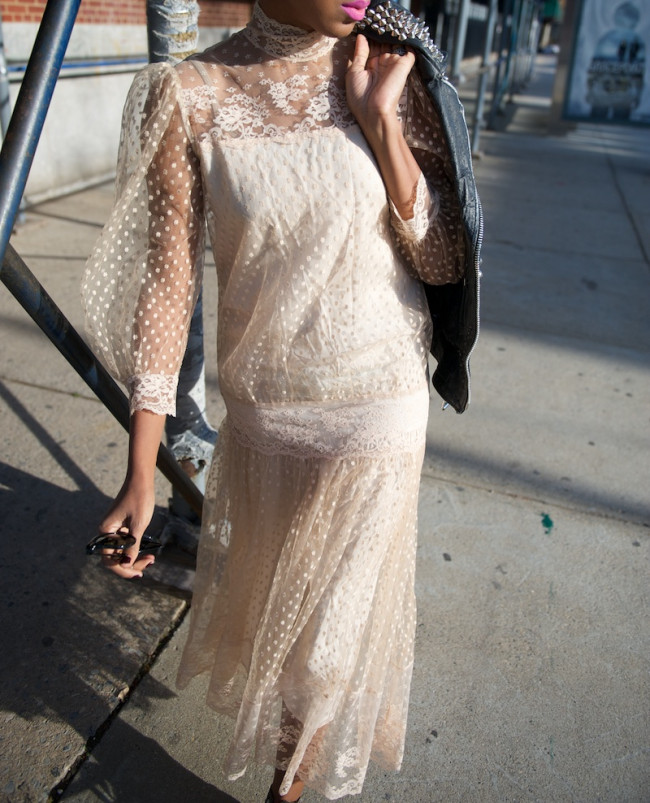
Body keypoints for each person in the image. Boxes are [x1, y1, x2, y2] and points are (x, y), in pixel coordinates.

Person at [82, 1, 472, 800]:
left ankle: (291, 791)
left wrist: (383, 125)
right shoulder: (188, 93)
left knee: (324, 649)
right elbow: (169, 283)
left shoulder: (392, 69)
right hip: (266, 417)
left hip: (379, 406)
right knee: (283, 624)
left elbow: (439, 257)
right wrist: (142, 467)